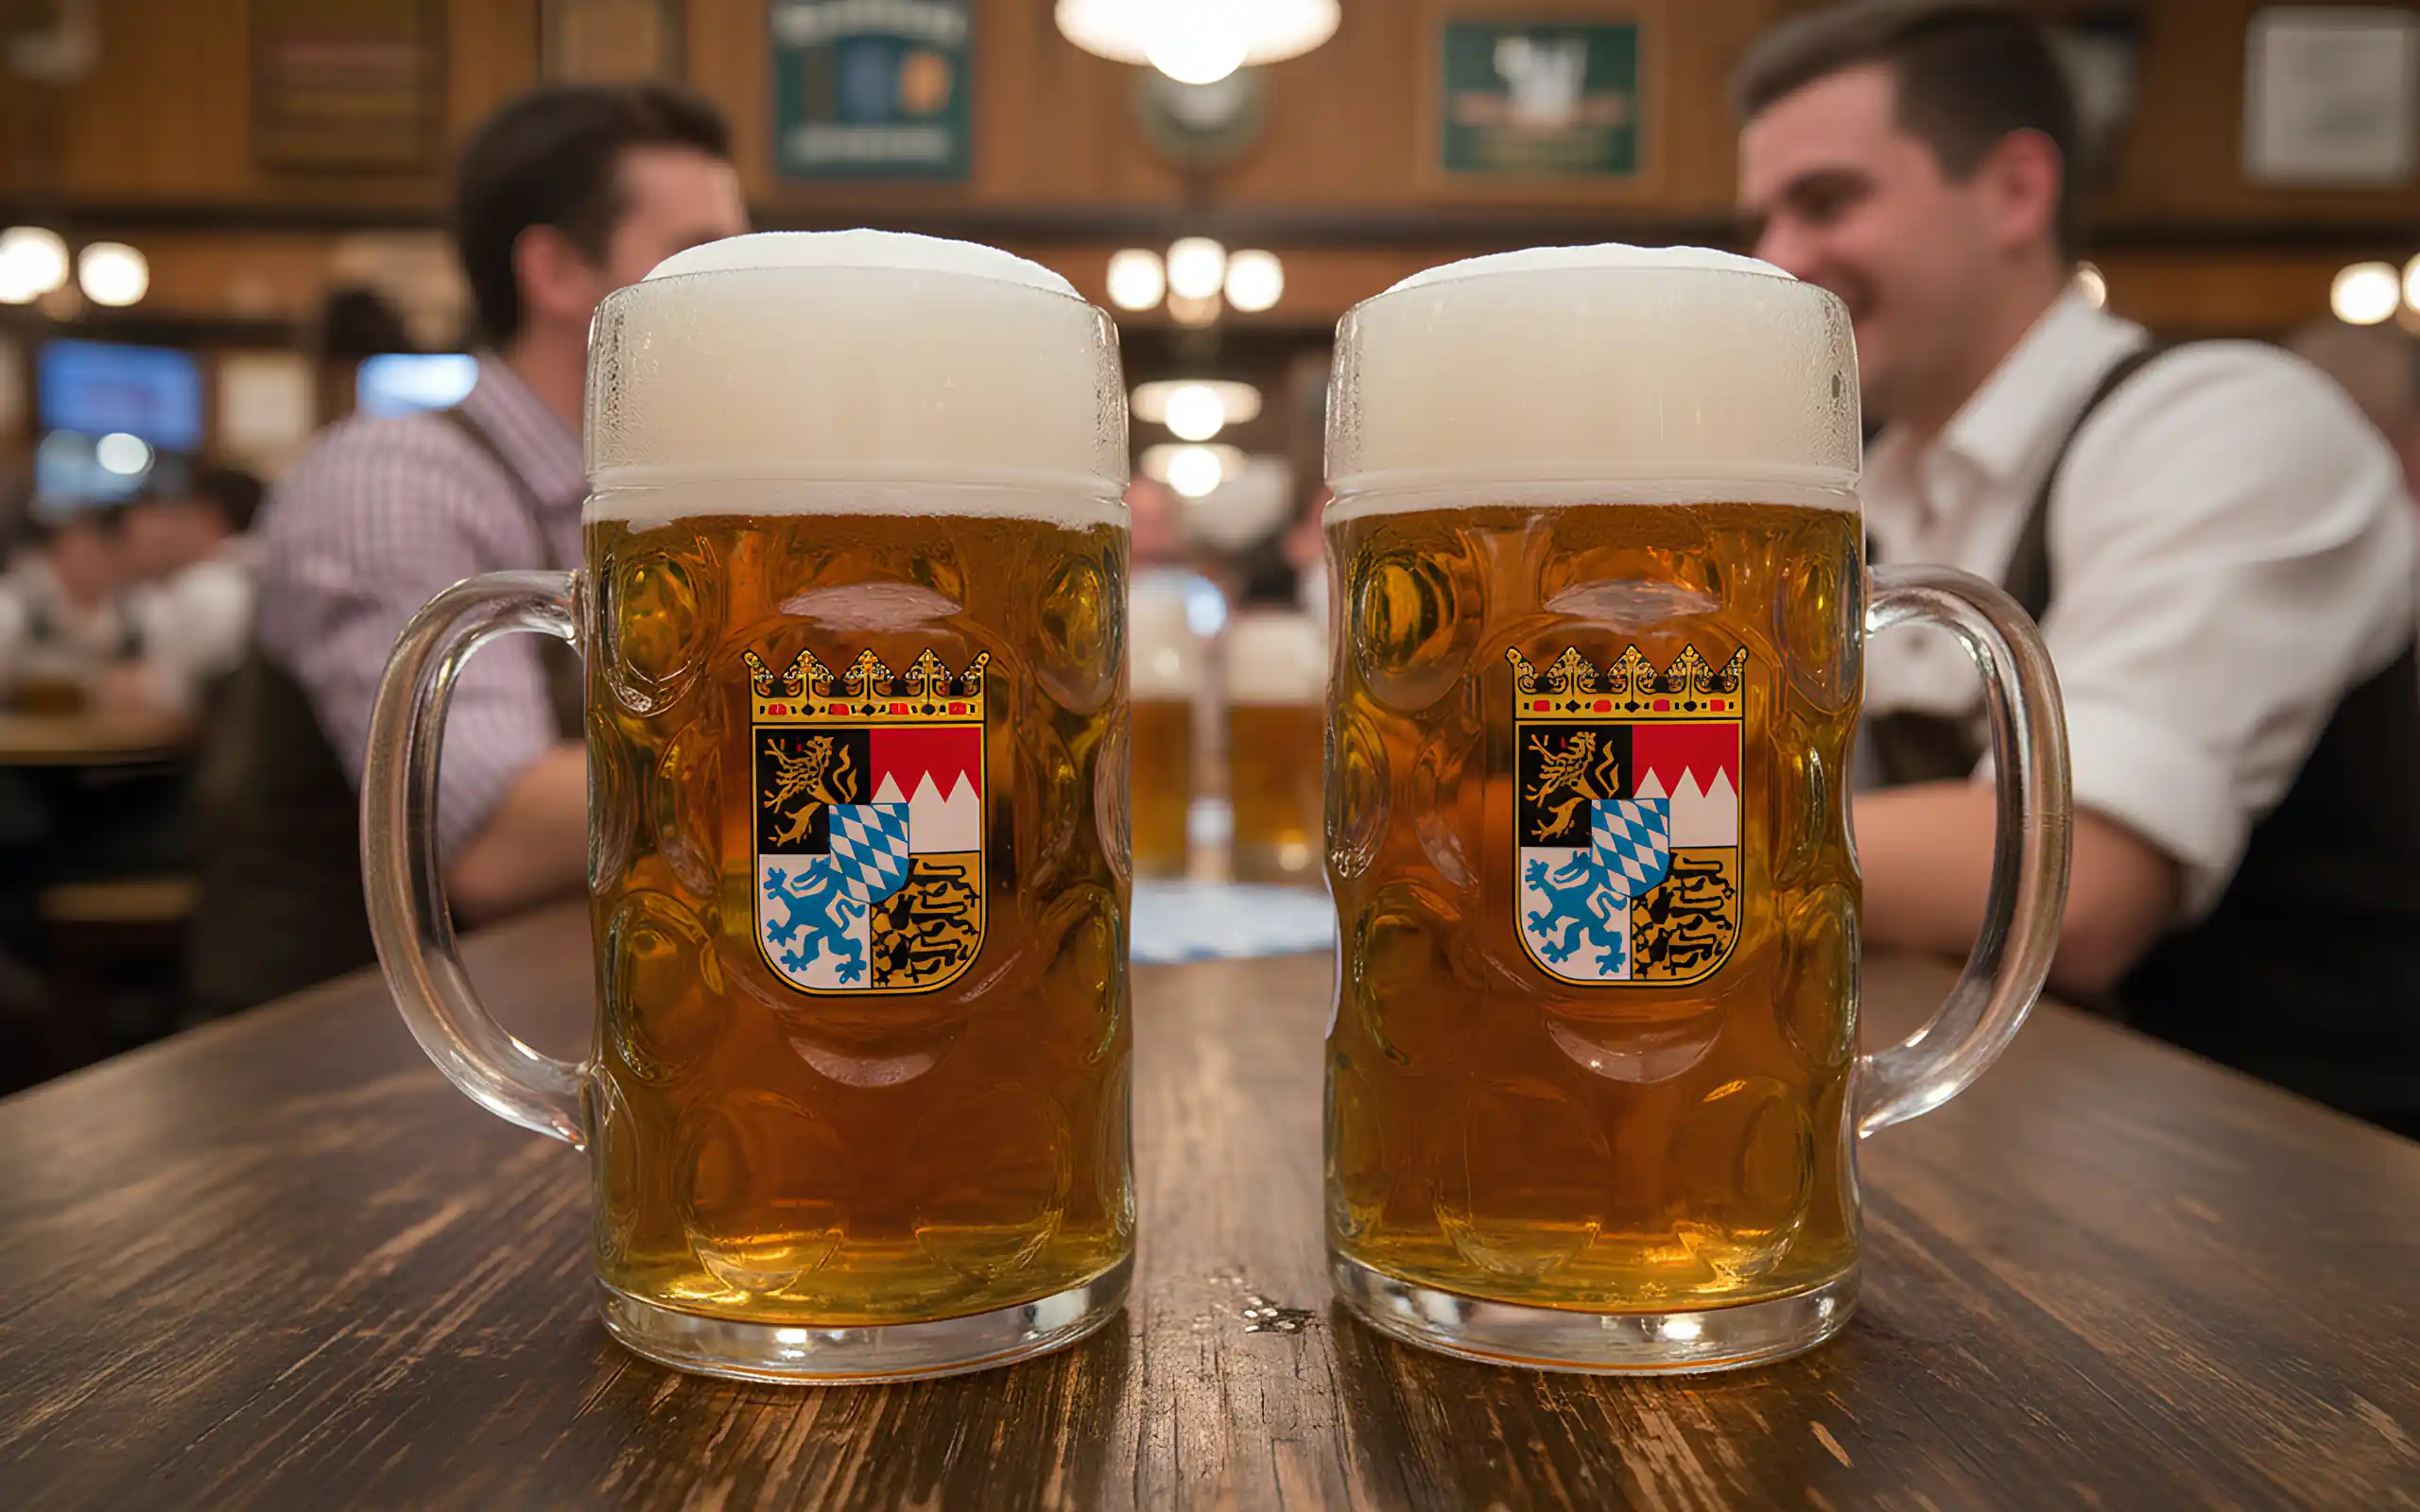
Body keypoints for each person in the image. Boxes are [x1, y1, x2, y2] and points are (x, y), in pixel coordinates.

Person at [1735, 0, 2420, 1131]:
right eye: (1763, 216)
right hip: (2018, 1134)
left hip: (2309, 1194)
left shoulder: (2224, 422)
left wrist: (1596, 817)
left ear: (2015, 190)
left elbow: (2081, 879)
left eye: (1826, 201)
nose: (1775, 261)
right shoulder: (1875, 483)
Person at [193, 83, 748, 1017]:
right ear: (557, 271)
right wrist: (851, 745)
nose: (744, 296)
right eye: (699, 257)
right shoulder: (396, 471)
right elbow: (491, 841)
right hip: (337, 1054)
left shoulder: (653, 502)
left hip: (550, 1012)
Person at [120, 466, 263, 714]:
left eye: (182, 515)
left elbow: (174, 699)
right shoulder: (273, 574)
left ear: (206, 515)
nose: (176, 530)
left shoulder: (205, 586)